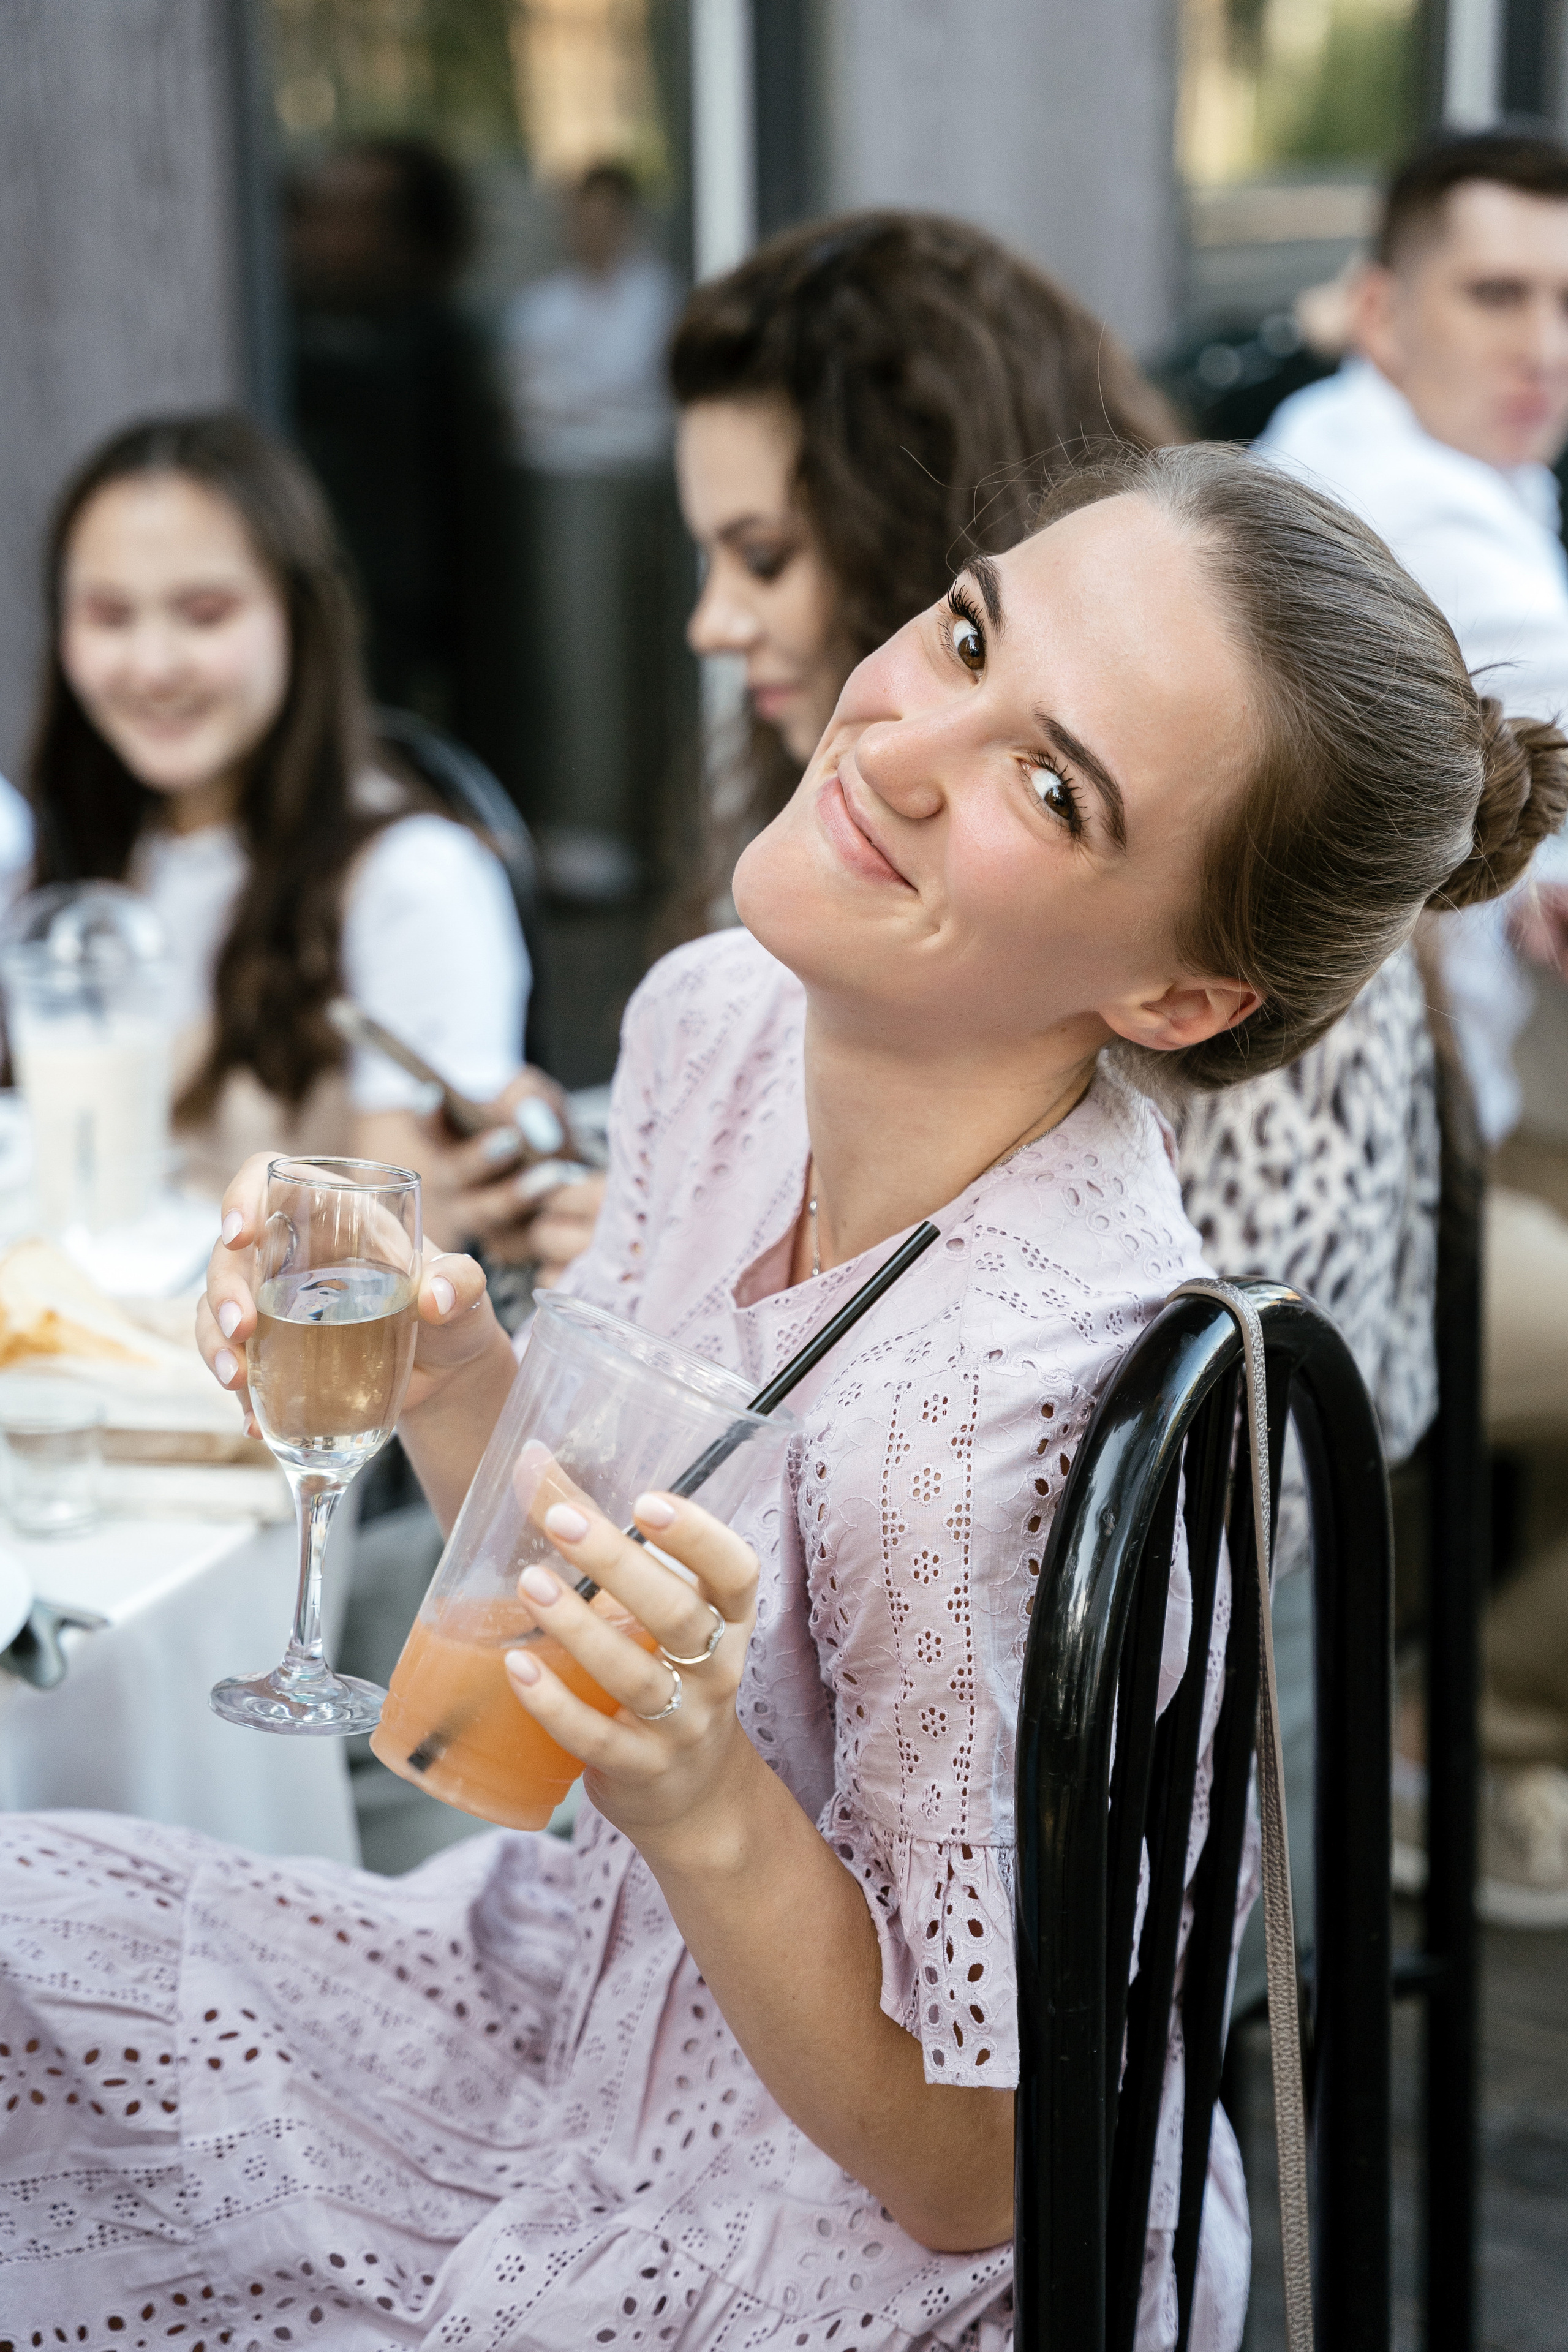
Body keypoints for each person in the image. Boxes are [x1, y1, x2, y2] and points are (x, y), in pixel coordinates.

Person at [4, 442, 1562, 2346]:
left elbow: (973, 2168)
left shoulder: (1007, 1396)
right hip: (554, 1992)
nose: (902, 737)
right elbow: (578, 1571)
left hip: (841, 2238)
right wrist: (455, 1367)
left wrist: (691, 1782)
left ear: (1175, 996)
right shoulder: (713, 1022)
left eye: (1048, 784)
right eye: (967, 629)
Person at [439, 211, 1178, 1280]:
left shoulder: (1196, 876)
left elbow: (1209, 1391)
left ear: (920, 540)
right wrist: (604, 1164)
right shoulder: (818, 794)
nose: (713, 626)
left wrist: (665, 1254)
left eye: (766, 558)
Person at [1261, 127, 1568, 1919]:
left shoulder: (1372, 449)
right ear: (1378, 307)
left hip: (1424, 1112)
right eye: (1496, 293)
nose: (1544, 341)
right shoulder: (1412, 519)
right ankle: (1462, 1744)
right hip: (1345, 1203)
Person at [21, 411, 531, 1243]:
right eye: (110, 617)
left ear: (300, 614)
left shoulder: (409, 878)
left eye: (205, 613)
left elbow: (401, 1247)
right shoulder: (88, 849)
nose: (152, 665)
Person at [502, 162, 684, 902]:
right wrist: (608, 408)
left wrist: (588, 408)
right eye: (582, 215)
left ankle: (650, 832)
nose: (593, 230)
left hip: (649, 491)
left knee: (655, 660)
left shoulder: (662, 300)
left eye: (606, 214)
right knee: (578, 659)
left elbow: (654, 404)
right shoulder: (541, 308)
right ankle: (587, 835)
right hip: (566, 497)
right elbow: (532, 407)